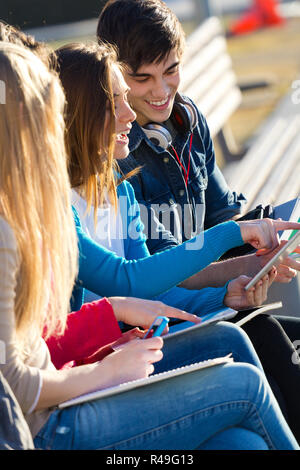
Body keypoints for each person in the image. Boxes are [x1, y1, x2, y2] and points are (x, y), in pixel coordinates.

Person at [0, 42, 299, 451]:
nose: (131, 114)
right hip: (69, 398)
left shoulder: (117, 192)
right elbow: (133, 279)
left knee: (241, 433)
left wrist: (227, 289)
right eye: (119, 99)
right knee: (245, 377)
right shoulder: (42, 215)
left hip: (98, 362)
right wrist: (231, 236)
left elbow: (150, 282)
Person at [96, 0, 300, 297]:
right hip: (177, 304)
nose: (162, 91)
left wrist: (264, 245)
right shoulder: (116, 155)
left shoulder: (187, 117)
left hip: (217, 285)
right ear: (112, 75)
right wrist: (250, 265)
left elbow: (223, 214)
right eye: (143, 78)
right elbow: (164, 273)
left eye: (170, 71)